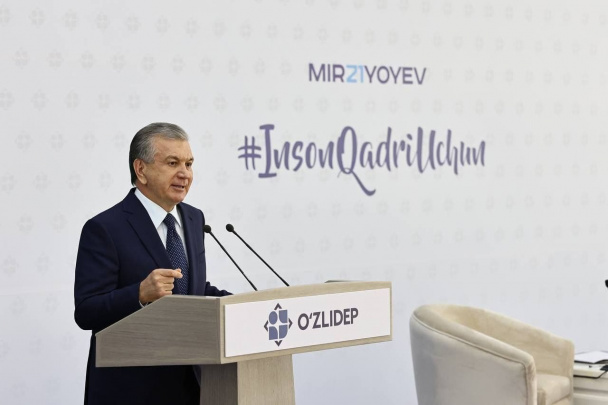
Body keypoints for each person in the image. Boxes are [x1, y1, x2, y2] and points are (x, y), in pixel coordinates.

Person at [74, 122, 230, 405]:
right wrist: (139, 294)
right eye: (172, 163)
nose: (185, 173)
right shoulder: (105, 228)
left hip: (192, 385)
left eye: (189, 164)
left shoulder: (194, 218)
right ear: (141, 169)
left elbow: (189, 289)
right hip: (131, 390)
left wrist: (242, 304)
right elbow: (86, 311)